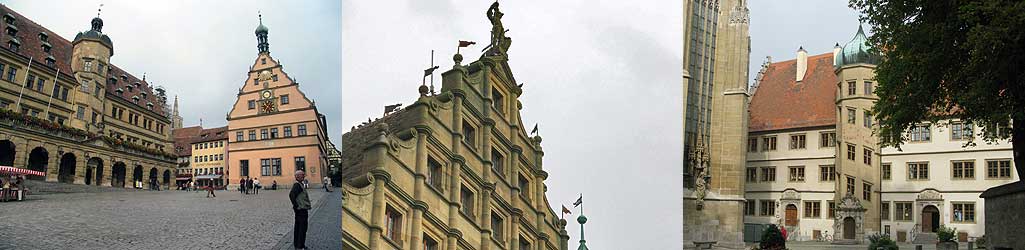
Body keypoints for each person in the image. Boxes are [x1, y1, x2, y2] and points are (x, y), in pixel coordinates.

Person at [289, 170, 311, 250]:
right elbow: (291, 195)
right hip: (301, 210)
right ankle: (299, 246)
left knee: (299, 227)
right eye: (302, 175)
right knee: (302, 228)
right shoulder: (297, 185)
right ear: (297, 177)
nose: (304, 176)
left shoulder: (300, 184)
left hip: (301, 209)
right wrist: (296, 206)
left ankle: (299, 245)